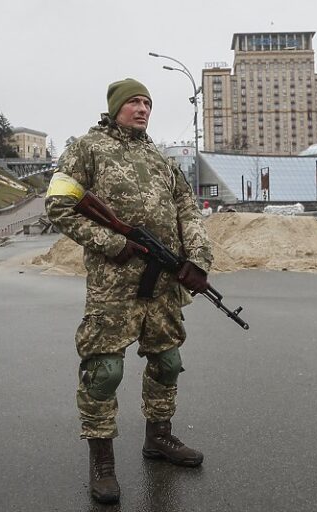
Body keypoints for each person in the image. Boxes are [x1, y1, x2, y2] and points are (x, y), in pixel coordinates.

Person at [44, 78, 213, 504]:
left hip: (164, 284)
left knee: (168, 362)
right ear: (116, 106)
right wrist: (113, 243)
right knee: (105, 371)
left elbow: (187, 208)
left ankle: (159, 438)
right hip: (113, 285)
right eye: (134, 102)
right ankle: (102, 461)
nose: (142, 109)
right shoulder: (88, 148)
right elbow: (58, 205)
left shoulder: (160, 157)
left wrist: (197, 259)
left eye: (147, 103)